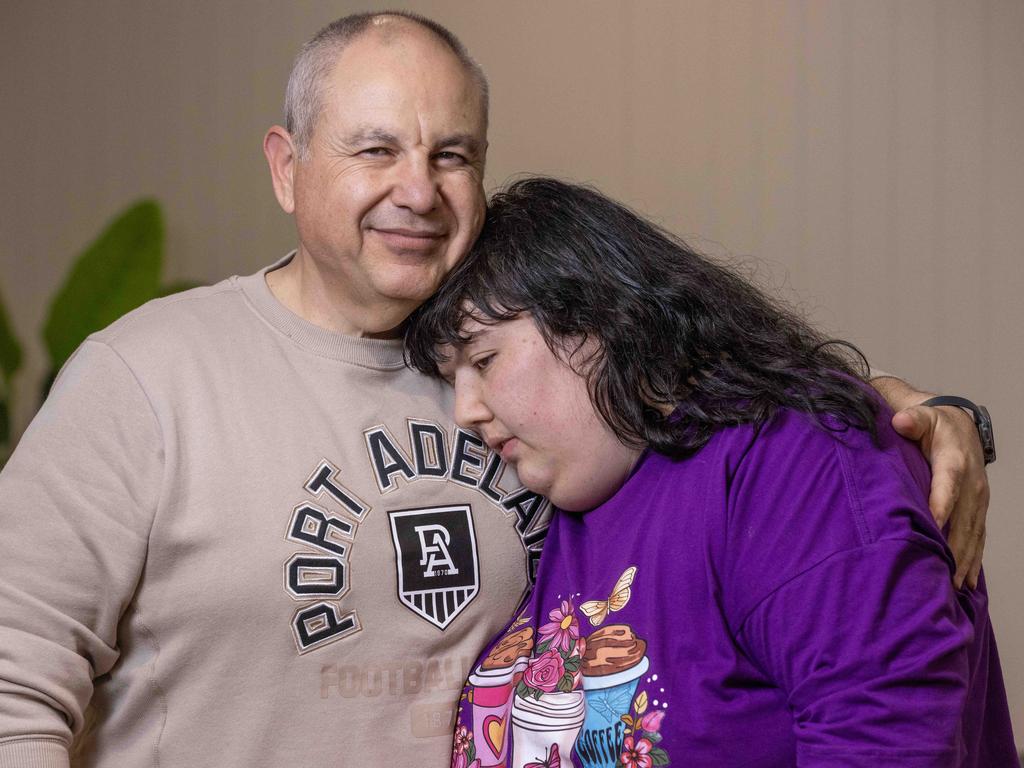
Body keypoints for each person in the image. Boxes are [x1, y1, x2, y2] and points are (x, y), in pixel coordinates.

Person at [0, 11, 997, 768]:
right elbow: (13, 679)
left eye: (452, 155)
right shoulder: (147, 376)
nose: (418, 190)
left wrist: (922, 420)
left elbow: (749, 437)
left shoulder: (555, 408)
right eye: (375, 147)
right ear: (287, 167)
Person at [404, 177, 1016, 766]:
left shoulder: (791, 462)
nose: (466, 411)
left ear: (601, 320)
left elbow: (887, 737)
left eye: (484, 359)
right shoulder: (558, 493)